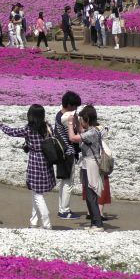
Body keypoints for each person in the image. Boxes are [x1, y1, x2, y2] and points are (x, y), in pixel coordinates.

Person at [0, 104, 55, 229]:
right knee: (36, 192)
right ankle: (33, 221)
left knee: (37, 194)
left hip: (35, 162)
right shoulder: (48, 126)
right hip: (46, 160)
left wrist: (1, 125)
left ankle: (47, 223)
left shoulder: (29, 129)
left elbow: (12, 132)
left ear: (31, 116)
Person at [66, 105, 106, 231]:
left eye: (82, 119)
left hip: (91, 165)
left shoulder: (93, 132)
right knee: (89, 194)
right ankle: (94, 223)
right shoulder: (92, 130)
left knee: (91, 195)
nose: (81, 122)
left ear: (87, 119)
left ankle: (98, 224)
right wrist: (77, 122)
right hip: (87, 164)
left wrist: (69, 124)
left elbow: (73, 138)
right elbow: (82, 132)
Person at [55, 91, 81, 219]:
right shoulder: (66, 118)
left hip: (61, 153)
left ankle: (62, 209)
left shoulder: (59, 114)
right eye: (75, 106)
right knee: (68, 183)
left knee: (64, 182)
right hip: (68, 153)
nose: (76, 109)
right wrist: (75, 122)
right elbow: (74, 135)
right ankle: (64, 211)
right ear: (70, 105)